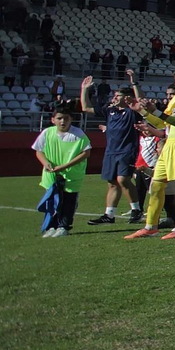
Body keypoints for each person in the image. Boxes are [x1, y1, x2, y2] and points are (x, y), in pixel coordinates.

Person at [124, 66, 175, 241]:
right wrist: (141, 110)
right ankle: (150, 226)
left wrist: (155, 110)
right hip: (169, 145)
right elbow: (162, 124)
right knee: (157, 185)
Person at [81, 72, 141, 225]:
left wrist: (134, 83)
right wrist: (84, 89)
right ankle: (109, 215)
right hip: (111, 151)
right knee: (112, 182)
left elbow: (140, 102)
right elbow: (86, 108)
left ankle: (136, 209)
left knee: (123, 179)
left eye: (118, 95)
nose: (114, 98)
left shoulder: (132, 112)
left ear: (127, 98)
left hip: (127, 150)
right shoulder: (110, 110)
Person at [34, 107, 90, 237]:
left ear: (71, 119)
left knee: (69, 201)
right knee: (53, 200)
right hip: (52, 174)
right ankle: (51, 226)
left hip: (72, 175)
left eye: (66, 118)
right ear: (53, 120)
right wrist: (45, 163)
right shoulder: (47, 133)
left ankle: (64, 226)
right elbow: (39, 151)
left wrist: (65, 166)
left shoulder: (78, 134)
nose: (62, 121)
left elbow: (86, 153)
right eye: (59, 118)